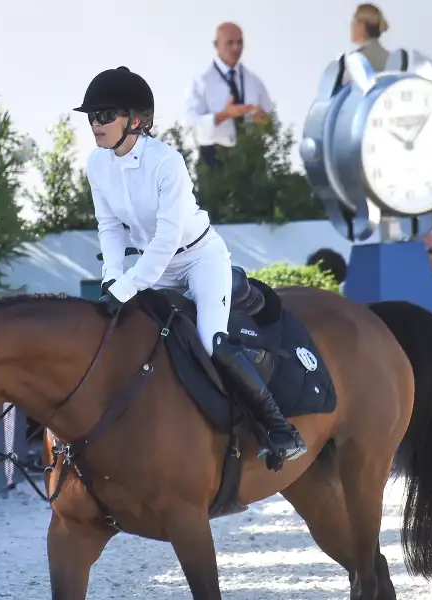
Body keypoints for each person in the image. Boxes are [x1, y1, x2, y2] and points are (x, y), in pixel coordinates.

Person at [74, 66, 306, 470]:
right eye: (92, 117)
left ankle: (279, 429)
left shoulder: (168, 162)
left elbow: (166, 239)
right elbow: (109, 227)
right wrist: (113, 277)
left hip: (198, 258)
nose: (96, 125)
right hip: (152, 266)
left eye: (105, 115)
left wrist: (127, 288)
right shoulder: (98, 164)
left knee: (210, 338)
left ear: (135, 120)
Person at [183, 22, 274, 169]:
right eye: (230, 43)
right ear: (216, 45)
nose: (236, 48)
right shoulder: (201, 81)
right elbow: (190, 124)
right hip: (214, 158)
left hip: (251, 157)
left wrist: (262, 119)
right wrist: (223, 116)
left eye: (240, 42)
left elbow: (270, 119)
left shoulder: (254, 82)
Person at [349, 3, 390, 72]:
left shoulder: (355, 59)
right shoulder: (390, 57)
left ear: (361, 26)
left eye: (354, 23)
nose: (351, 27)